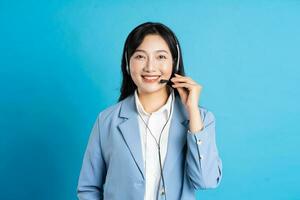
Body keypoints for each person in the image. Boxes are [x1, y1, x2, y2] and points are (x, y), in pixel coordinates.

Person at [77, 22, 222, 200]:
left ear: (174, 63)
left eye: (161, 57)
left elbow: (206, 181)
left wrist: (192, 109)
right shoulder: (107, 120)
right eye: (140, 57)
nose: (150, 67)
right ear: (128, 63)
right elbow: (88, 188)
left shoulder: (201, 118)